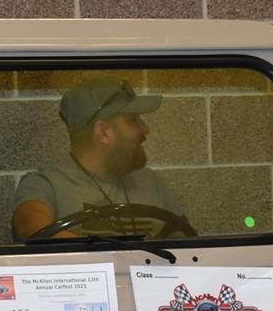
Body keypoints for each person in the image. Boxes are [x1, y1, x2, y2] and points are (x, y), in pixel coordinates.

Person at [12, 78, 180, 240]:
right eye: (132, 120)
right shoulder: (46, 185)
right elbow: (32, 228)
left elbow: (187, 247)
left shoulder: (151, 183)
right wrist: (105, 261)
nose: (145, 129)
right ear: (104, 132)